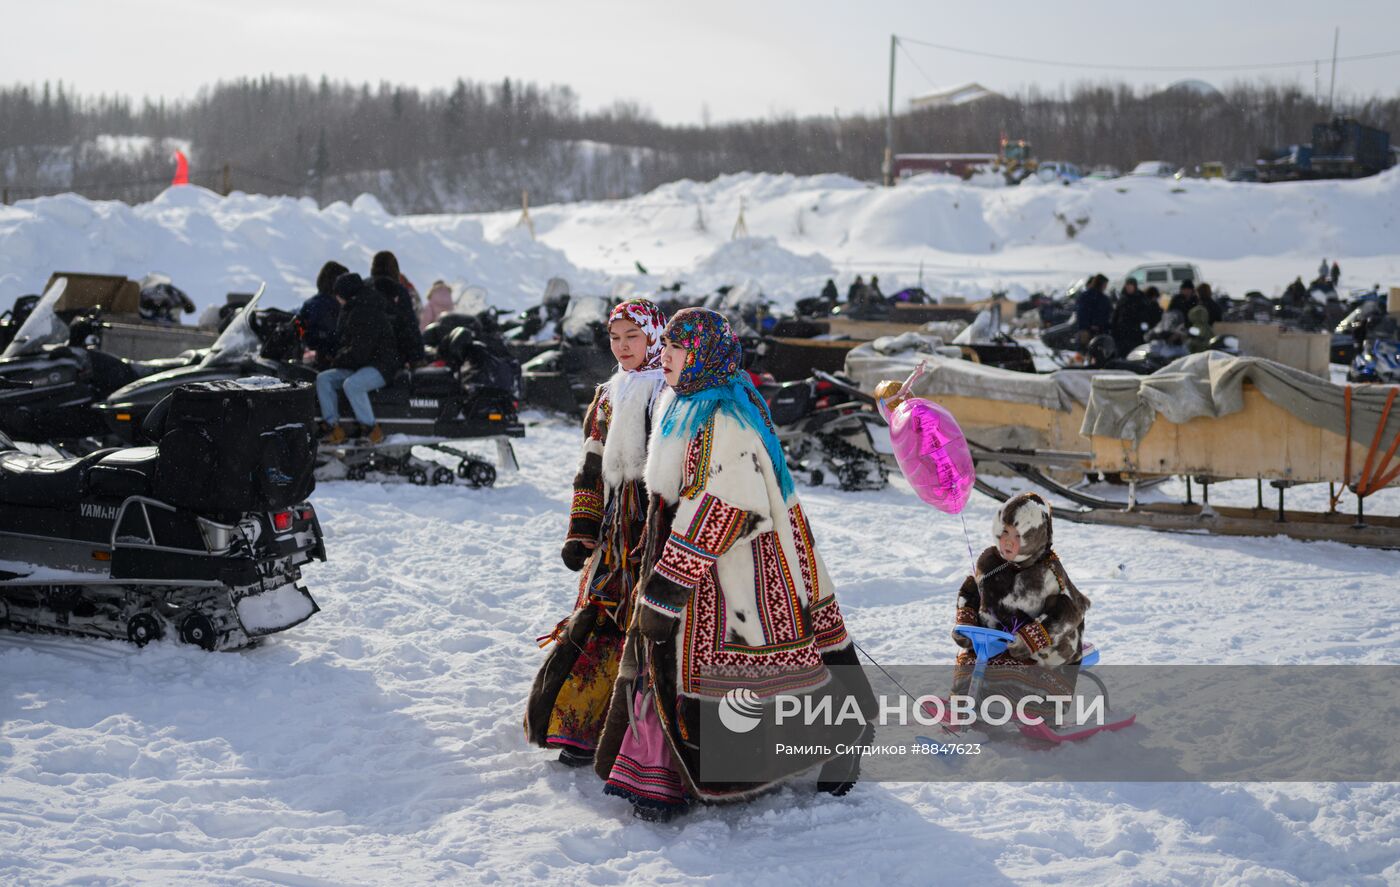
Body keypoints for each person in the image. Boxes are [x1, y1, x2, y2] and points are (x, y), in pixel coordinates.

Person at [594, 308, 875, 821]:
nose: (668, 357)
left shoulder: (723, 416)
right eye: (670, 348)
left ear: (702, 355)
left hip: (739, 569)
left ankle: (840, 736)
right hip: (706, 566)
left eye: (678, 350)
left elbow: (724, 506)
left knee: (753, 671)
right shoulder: (688, 404)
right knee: (689, 669)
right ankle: (662, 776)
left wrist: (668, 587)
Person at [525, 299, 669, 769]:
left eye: (633, 336)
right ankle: (581, 726)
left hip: (659, 529)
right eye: (615, 337)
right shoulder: (608, 395)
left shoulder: (672, 391)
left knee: (652, 628)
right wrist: (581, 529)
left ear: (654, 337)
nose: (623, 347)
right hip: (614, 535)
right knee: (604, 619)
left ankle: (645, 739)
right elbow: (590, 468)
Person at [949, 492, 1089, 721]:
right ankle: (971, 705)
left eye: (1018, 535)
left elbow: (1070, 612)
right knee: (970, 666)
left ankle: (1034, 710)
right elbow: (971, 590)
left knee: (1019, 676)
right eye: (1004, 531)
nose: (1008, 540)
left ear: (1034, 537)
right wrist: (966, 619)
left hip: (1039, 650)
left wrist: (1030, 639)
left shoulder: (1048, 571)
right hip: (994, 642)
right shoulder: (990, 561)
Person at [317, 272, 399, 445]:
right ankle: (333, 427)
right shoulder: (353, 309)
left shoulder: (365, 310)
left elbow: (360, 351)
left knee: (353, 385)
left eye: (338, 294)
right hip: (361, 364)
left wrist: (336, 360)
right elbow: (349, 345)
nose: (337, 299)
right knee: (324, 379)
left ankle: (371, 430)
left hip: (381, 365)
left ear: (345, 294)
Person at [368, 250, 426, 367]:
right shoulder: (398, 290)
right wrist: (418, 357)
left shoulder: (364, 287)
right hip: (392, 356)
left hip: (364, 353)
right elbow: (409, 324)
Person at [298, 261, 347, 367]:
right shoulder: (334, 306)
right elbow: (334, 336)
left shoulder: (310, 303)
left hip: (308, 355)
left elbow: (302, 329)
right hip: (326, 359)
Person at [1109, 278, 1162, 354]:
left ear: (1135, 286)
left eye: (1130, 286)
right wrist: (1114, 329)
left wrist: (1142, 327)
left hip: (1135, 333)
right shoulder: (1122, 299)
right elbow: (1116, 315)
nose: (1129, 288)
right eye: (1127, 286)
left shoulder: (1140, 299)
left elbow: (1145, 315)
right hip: (1122, 333)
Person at [1074, 274, 1113, 349]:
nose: (1106, 287)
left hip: (1097, 330)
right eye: (1105, 284)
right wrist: (1091, 325)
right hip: (1089, 331)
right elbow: (1082, 313)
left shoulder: (1087, 296)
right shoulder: (1093, 297)